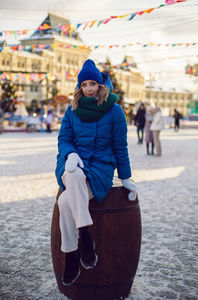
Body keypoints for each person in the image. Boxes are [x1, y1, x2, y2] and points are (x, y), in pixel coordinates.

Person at [55, 59, 136, 286]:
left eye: (93, 84)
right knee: (72, 173)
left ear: (100, 85)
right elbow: (64, 140)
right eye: (84, 85)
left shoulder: (115, 111)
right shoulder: (72, 111)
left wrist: (125, 176)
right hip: (73, 162)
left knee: (64, 203)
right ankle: (85, 239)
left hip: (100, 167)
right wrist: (71, 155)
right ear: (79, 87)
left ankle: (71, 256)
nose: (89, 88)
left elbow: (120, 146)